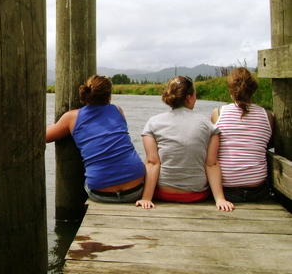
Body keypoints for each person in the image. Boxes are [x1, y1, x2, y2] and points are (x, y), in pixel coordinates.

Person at [135, 76, 234, 211]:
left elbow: (152, 162)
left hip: (162, 193)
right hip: (197, 194)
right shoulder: (208, 125)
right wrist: (220, 199)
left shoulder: (153, 123)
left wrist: (146, 198)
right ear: (188, 98)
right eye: (195, 95)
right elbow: (211, 163)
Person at [46, 75, 146, 203]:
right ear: (109, 96)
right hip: (135, 190)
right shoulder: (117, 110)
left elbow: (44, 137)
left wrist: (56, 125)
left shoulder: (71, 117)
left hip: (101, 194)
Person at [211, 67, 274, 202]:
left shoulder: (218, 113)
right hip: (257, 191)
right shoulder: (267, 116)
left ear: (231, 91)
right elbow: (266, 143)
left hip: (227, 191)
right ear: (253, 90)